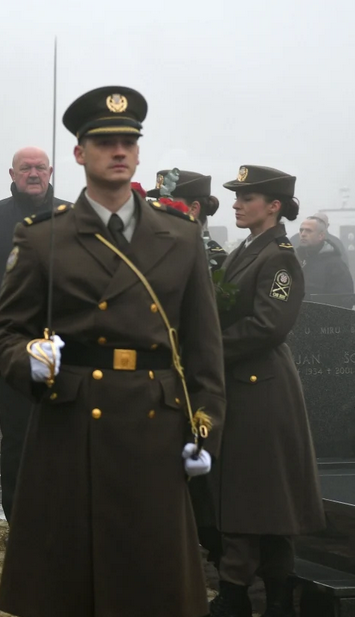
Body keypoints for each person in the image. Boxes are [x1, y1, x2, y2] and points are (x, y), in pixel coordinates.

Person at [0, 87, 226, 617]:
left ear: (137, 152)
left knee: (151, 583)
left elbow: (203, 350)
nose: (117, 153)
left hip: (154, 433)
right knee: (88, 588)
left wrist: (204, 424)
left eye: (127, 142)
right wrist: (28, 361)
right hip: (76, 423)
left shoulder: (179, 238)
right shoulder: (44, 238)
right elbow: (3, 333)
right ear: (79, 154)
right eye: (103, 143)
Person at [176, 165, 325, 617]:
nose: (236, 204)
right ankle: (280, 614)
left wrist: (206, 346)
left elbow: (268, 325)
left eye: (248, 198)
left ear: (275, 206)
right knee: (265, 505)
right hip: (242, 388)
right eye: (237, 197)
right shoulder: (246, 249)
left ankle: (230, 613)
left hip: (262, 392)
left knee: (244, 501)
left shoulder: (280, 258)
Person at [0, 146, 66, 525]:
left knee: (63, 434)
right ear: (12, 173)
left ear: (51, 171)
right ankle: (20, 517)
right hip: (11, 347)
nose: (34, 173)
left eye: (40, 167)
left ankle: (61, 516)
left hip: (64, 347)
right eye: (26, 168)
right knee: (19, 436)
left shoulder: (74, 217)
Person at [146, 169, 229, 567]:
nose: (156, 211)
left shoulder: (213, 257)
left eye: (166, 204)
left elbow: (207, 332)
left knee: (206, 495)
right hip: (159, 389)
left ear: (192, 208)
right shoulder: (157, 252)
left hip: (197, 388)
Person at [295, 216, 354, 297]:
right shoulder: (295, 259)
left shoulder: (336, 265)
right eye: (301, 230)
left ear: (321, 236)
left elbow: (343, 300)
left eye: (308, 231)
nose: (303, 234)